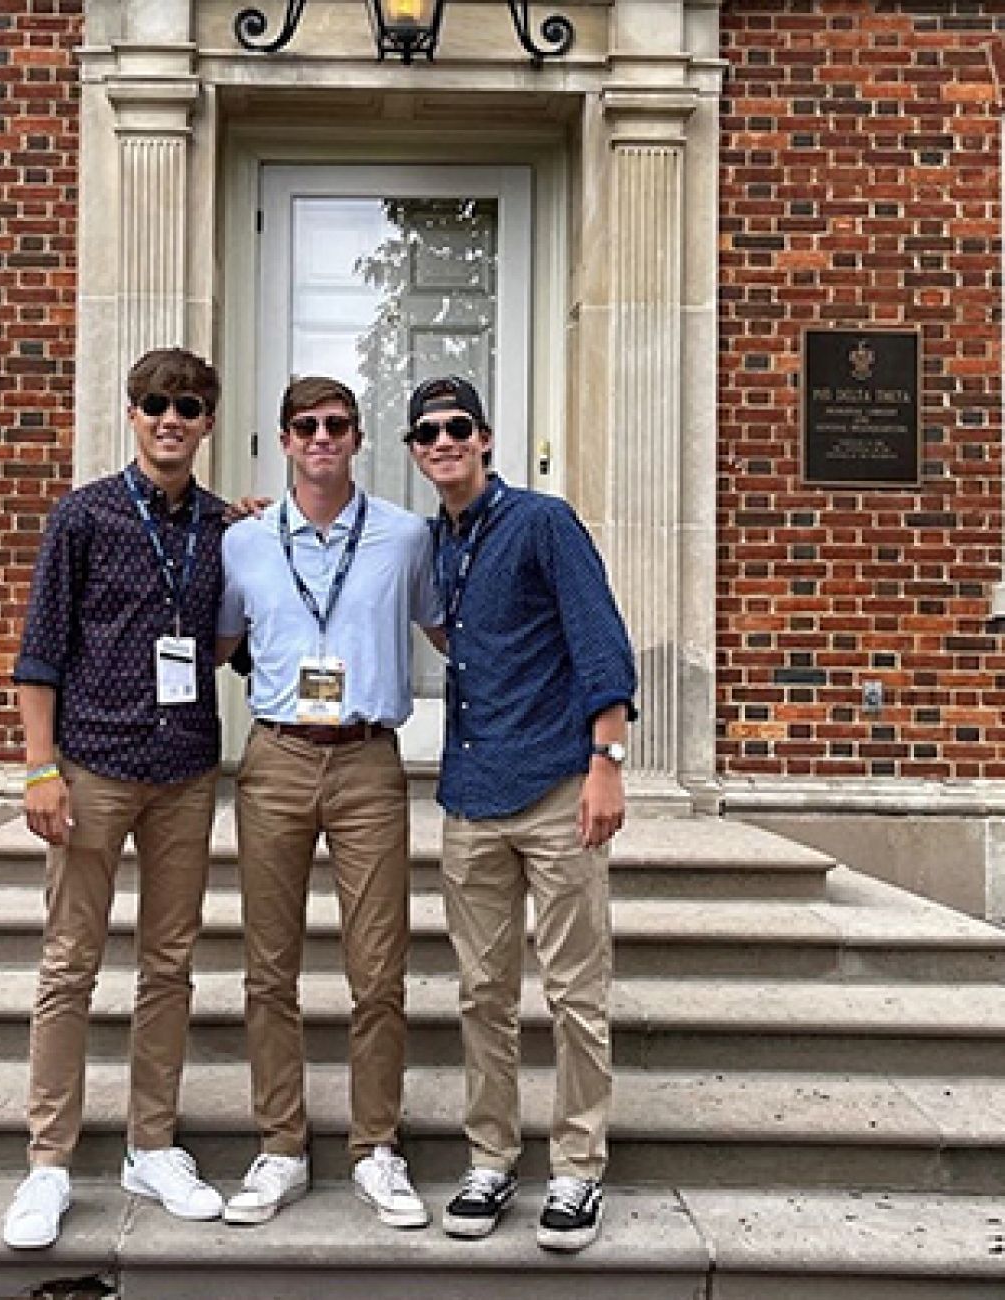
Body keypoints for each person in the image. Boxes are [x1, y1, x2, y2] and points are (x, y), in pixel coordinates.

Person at [403, 375, 637, 1252]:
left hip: (552, 792)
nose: (444, 441)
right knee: (483, 994)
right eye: (428, 432)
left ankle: (578, 1170)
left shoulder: (543, 523)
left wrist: (605, 763)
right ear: (416, 450)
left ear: (487, 437)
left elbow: (600, 642)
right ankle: (490, 1158)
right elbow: (448, 632)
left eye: (458, 426)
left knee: (577, 990)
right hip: (469, 798)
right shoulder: (435, 542)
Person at [3, 347, 229, 1249]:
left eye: (187, 406)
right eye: (154, 404)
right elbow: (39, 651)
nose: (170, 419)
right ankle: (49, 1163)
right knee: (70, 965)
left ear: (209, 420)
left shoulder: (222, 528)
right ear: (131, 414)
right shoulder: (84, 515)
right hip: (92, 765)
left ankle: (152, 1143)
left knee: (168, 966)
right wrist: (38, 767)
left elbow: (226, 641)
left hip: (184, 772)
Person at [215, 375, 443, 1230]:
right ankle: (281, 1145)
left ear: (357, 438)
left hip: (367, 765)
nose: (321, 438)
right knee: (268, 970)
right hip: (274, 758)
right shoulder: (243, 542)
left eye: (336, 425)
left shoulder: (405, 536)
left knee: (378, 969)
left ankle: (375, 1147)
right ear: (283, 440)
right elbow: (219, 642)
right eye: (305, 426)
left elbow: (450, 631)